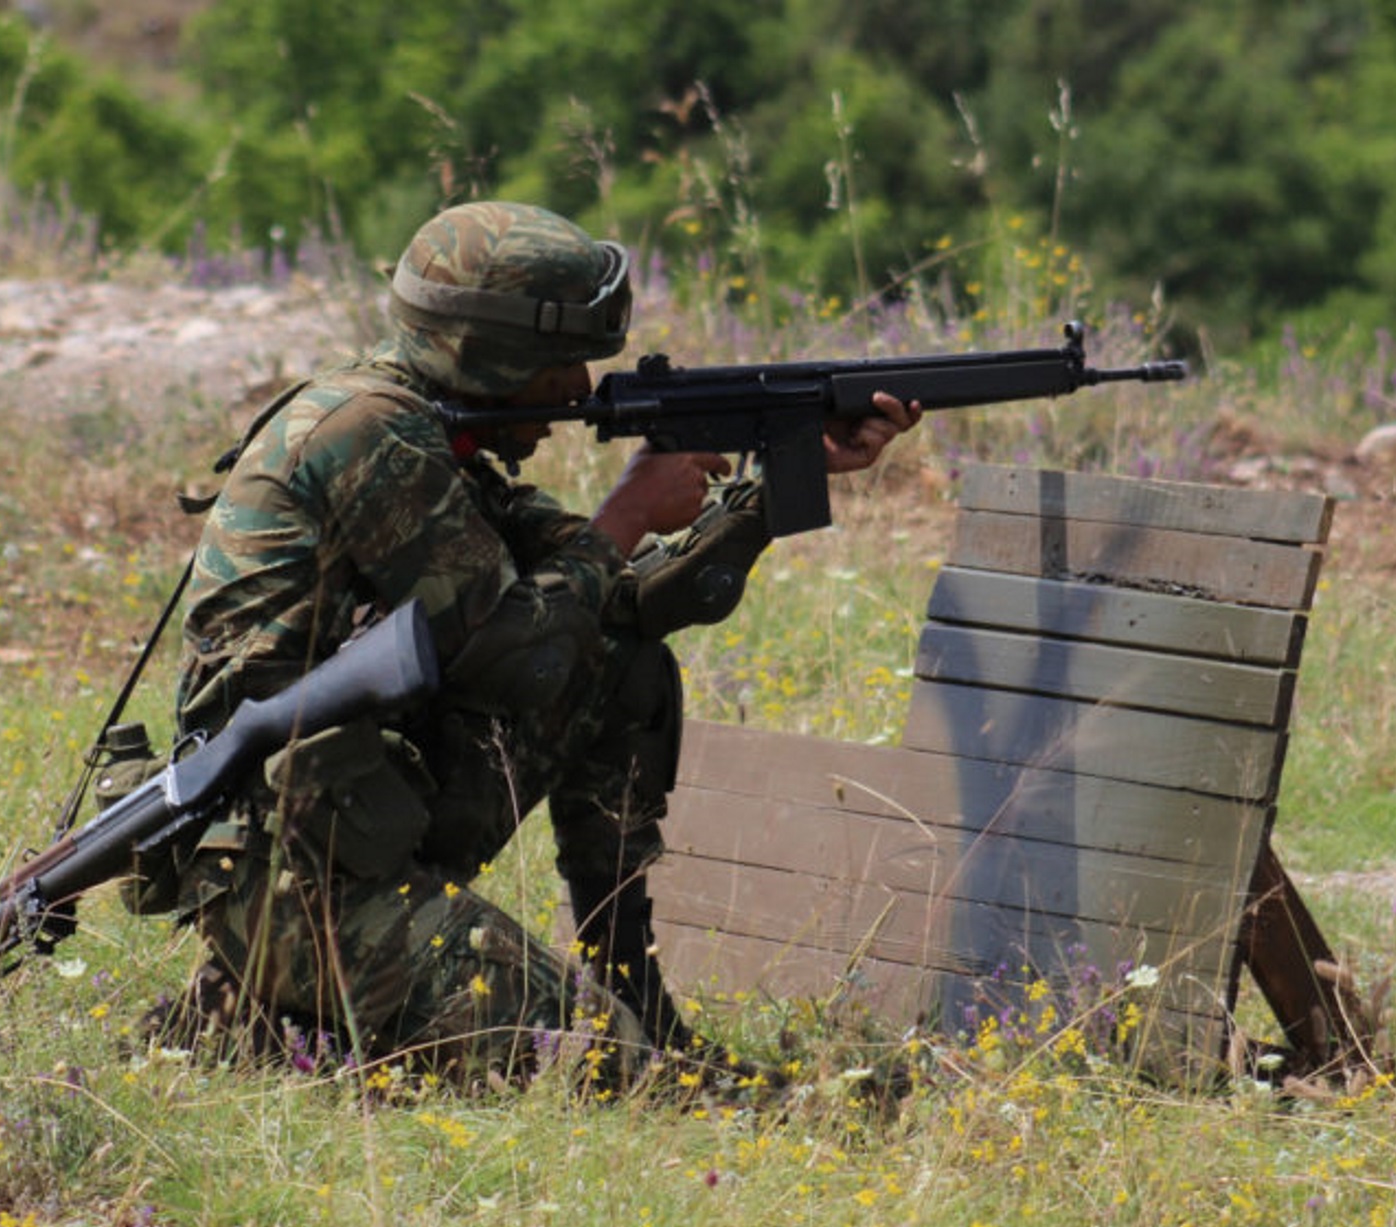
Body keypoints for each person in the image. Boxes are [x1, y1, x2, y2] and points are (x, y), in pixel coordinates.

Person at [135, 200, 919, 1090]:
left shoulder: (431, 435)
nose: (582, 386)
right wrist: (626, 511)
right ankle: (679, 1081)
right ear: (493, 358)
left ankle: (630, 1003)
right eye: (561, 363)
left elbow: (614, 607)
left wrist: (784, 481)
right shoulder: (369, 439)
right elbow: (516, 655)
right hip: (293, 879)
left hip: (343, 840)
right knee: (582, 1058)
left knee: (623, 660)